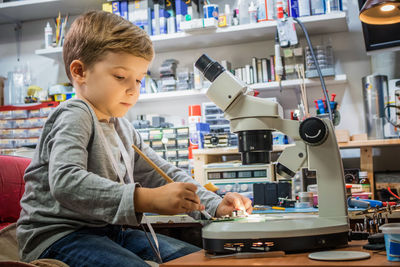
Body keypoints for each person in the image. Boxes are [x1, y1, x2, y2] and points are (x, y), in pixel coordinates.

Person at [17, 10, 252, 267]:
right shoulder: (75, 113)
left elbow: (164, 173)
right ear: (79, 71)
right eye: (120, 77)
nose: (133, 89)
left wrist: (216, 205)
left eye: (139, 79)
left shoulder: (123, 127)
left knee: (199, 259)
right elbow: (66, 182)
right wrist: (146, 199)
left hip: (110, 232)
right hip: (57, 237)